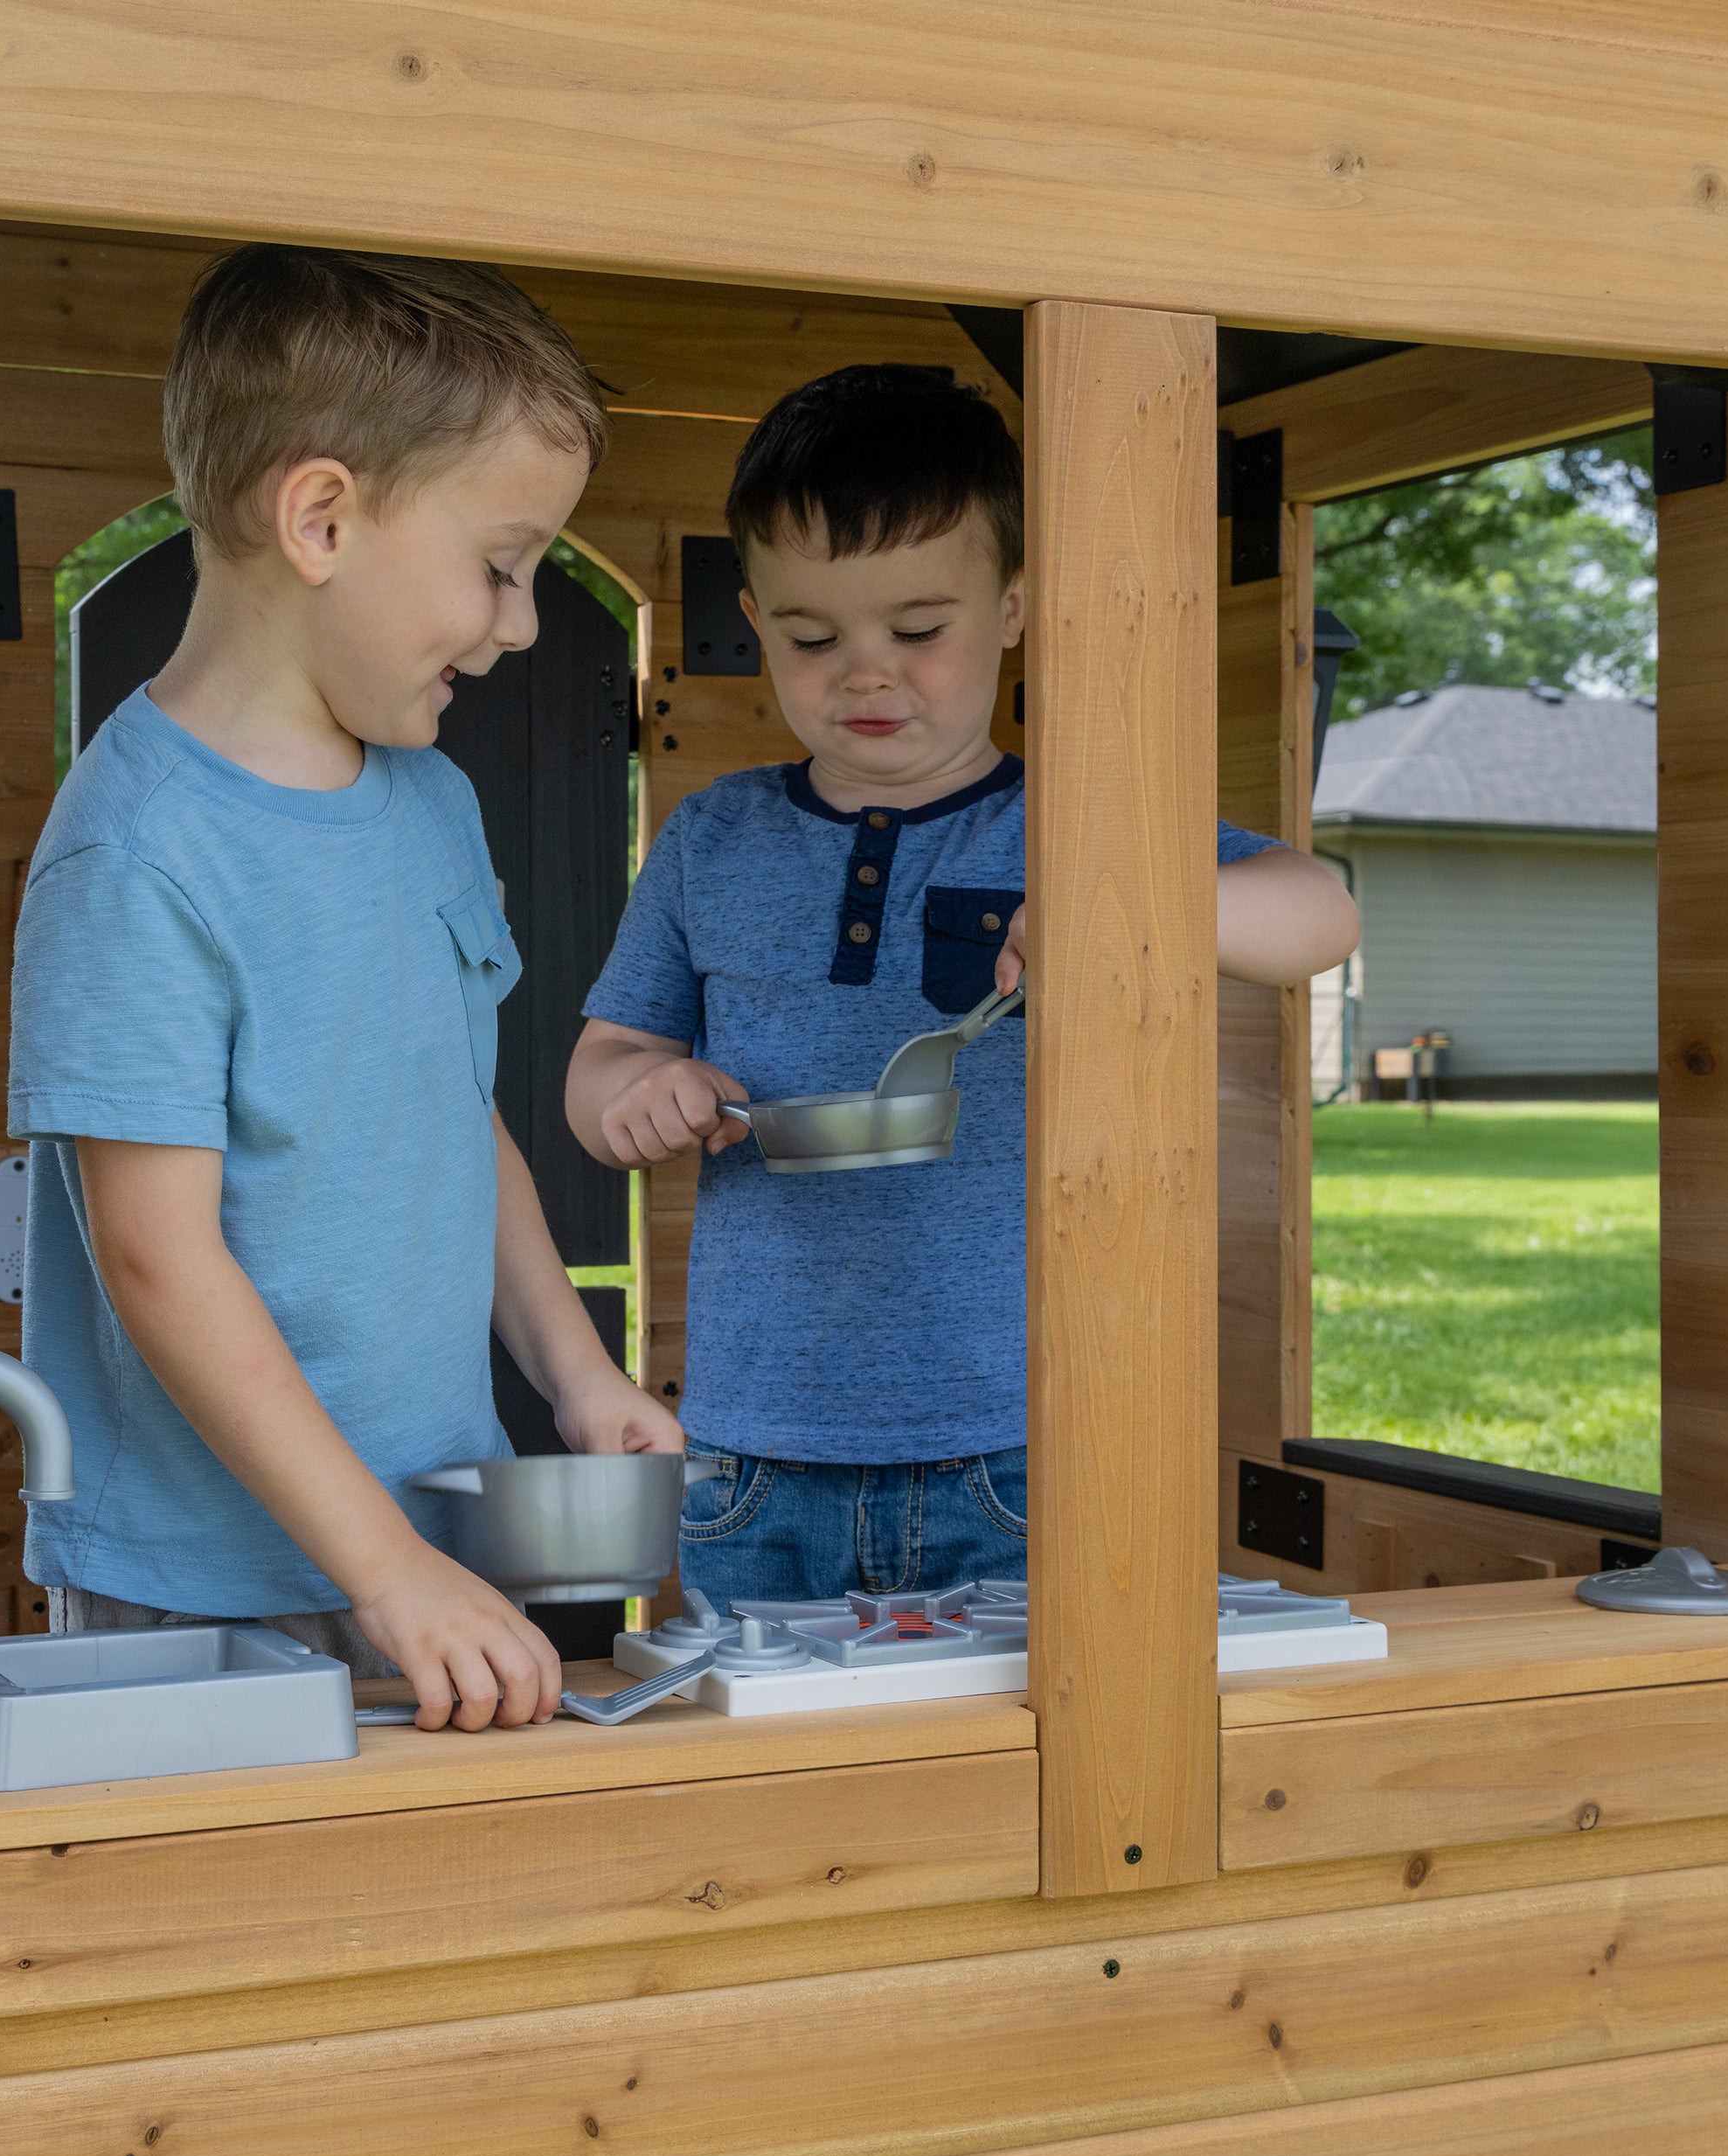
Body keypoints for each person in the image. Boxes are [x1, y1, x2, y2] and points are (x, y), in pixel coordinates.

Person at [9, 244, 681, 1733]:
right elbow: (156, 1262)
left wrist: (573, 1374)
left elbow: (455, 1111)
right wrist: (382, 1571)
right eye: (500, 567)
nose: (517, 623)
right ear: (320, 517)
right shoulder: (138, 854)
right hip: (197, 1588)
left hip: (421, 1551)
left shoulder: (428, 800)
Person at [565, 364, 1357, 1604]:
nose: (866, 675)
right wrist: (639, 1092)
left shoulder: (1079, 822)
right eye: (813, 637)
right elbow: (599, 1067)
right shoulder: (710, 840)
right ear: (755, 616)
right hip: (754, 1454)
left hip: (1032, 1443)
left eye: (917, 631)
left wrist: (1141, 910)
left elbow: (1321, 915)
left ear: (1013, 607)